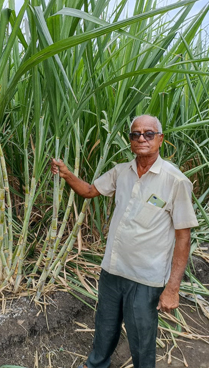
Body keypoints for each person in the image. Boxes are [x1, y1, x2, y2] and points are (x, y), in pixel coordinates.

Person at [51, 115, 198, 368]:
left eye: (149, 134)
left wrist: (172, 289)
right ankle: (96, 364)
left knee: (141, 337)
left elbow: (183, 237)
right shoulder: (121, 172)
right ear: (130, 140)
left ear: (160, 139)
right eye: (136, 134)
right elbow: (88, 191)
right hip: (113, 269)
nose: (142, 138)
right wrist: (66, 174)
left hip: (146, 277)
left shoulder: (175, 182)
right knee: (105, 325)